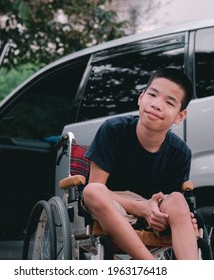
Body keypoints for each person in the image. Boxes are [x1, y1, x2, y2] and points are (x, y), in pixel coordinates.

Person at [82, 67, 198, 260]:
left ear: (180, 116)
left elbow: (166, 203)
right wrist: (141, 207)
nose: (156, 104)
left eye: (169, 103)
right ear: (141, 97)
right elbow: (96, 187)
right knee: (92, 191)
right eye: (152, 94)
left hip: (151, 213)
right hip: (113, 206)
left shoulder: (181, 153)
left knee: (178, 200)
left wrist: (175, 218)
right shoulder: (113, 130)